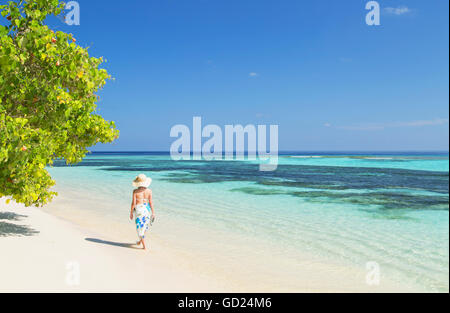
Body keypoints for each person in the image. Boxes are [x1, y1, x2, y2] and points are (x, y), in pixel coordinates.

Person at [130, 174, 155, 250]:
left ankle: (144, 246)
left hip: (139, 210)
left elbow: (133, 203)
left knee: (139, 227)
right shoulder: (149, 191)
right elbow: (151, 202)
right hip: (147, 209)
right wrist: (153, 212)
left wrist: (131, 212)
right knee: (144, 227)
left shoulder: (135, 191)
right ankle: (140, 242)